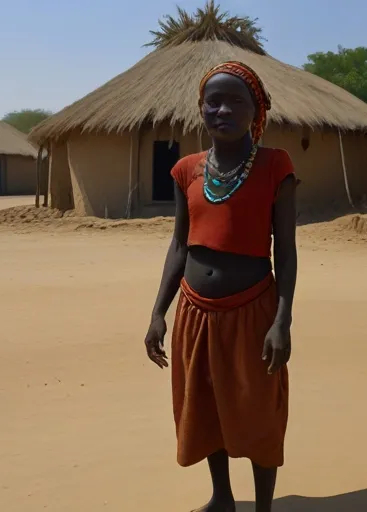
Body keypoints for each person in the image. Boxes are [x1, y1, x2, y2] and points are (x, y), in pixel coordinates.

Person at [143, 61, 298, 512]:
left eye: (236, 101)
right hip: (195, 310)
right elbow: (179, 245)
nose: (222, 109)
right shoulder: (186, 170)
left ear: (257, 110)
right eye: (213, 101)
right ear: (201, 109)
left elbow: (285, 251)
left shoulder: (275, 166)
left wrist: (282, 321)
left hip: (253, 311)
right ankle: (223, 498)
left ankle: (263, 507)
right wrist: (158, 312)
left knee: (257, 409)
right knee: (206, 405)